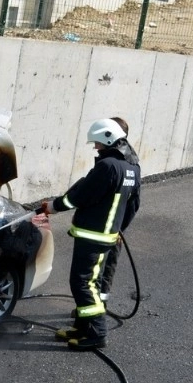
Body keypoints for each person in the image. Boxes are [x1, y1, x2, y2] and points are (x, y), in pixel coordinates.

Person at [41, 119, 141, 350]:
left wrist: (54, 206)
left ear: (107, 138)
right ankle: (82, 328)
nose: (95, 147)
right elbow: (133, 205)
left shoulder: (107, 167)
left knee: (83, 283)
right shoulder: (131, 168)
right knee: (91, 283)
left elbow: (80, 196)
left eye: (96, 142)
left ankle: (96, 333)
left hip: (93, 235)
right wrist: (119, 230)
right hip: (107, 235)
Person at [96, 116, 141, 305]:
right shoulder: (132, 162)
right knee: (107, 271)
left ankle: (91, 316)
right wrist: (121, 228)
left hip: (105, 228)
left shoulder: (113, 163)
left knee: (95, 273)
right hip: (116, 229)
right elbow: (134, 201)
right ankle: (100, 306)